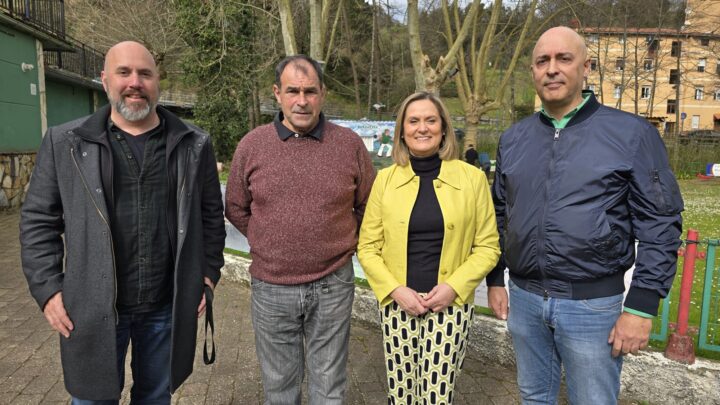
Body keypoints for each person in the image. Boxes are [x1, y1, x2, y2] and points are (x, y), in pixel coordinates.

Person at [19, 41, 226, 403]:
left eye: (145, 73)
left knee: (156, 397)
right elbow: (38, 220)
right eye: (124, 72)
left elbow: (211, 216)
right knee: (92, 400)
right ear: (104, 80)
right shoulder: (65, 143)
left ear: (157, 81)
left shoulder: (193, 144)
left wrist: (207, 273)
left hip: (166, 306)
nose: (135, 82)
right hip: (91, 308)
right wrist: (48, 289)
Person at [486, 26, 683, 404]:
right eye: (542, 61)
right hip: (524, 299)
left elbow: (661, 224)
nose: (552, 69)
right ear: (532, 71)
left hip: (592, 307)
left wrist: (642, 305)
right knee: (533, 397)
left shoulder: (631, 134)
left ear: (586, 67)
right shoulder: (514, 138)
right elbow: (499, 213)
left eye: (564, 58)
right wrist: (496, 278)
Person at [224, 54, 375, 405]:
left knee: (329, 386)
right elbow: (235, 205)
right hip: (272, 286)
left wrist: (340, 239)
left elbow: (370, 205)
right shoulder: (252, 145)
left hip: (333, 284)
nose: (302, 100)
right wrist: (267, 238)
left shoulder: (349, 144)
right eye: (293, 91)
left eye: (310, 91)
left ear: (322, 93)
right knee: (279, 388)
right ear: (277, 93)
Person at [358, 92, 500, 404]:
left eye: (430, 120)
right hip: (398, 304)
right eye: (414, 121)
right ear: (402, 131)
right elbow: (367, 247)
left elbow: (488, 247)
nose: (422, 128)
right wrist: (396, 290)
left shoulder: (473, 179)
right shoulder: (384, 180)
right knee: (401, 395)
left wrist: (454, 287)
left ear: (444, 128)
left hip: (449, 306)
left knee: (437, 396)